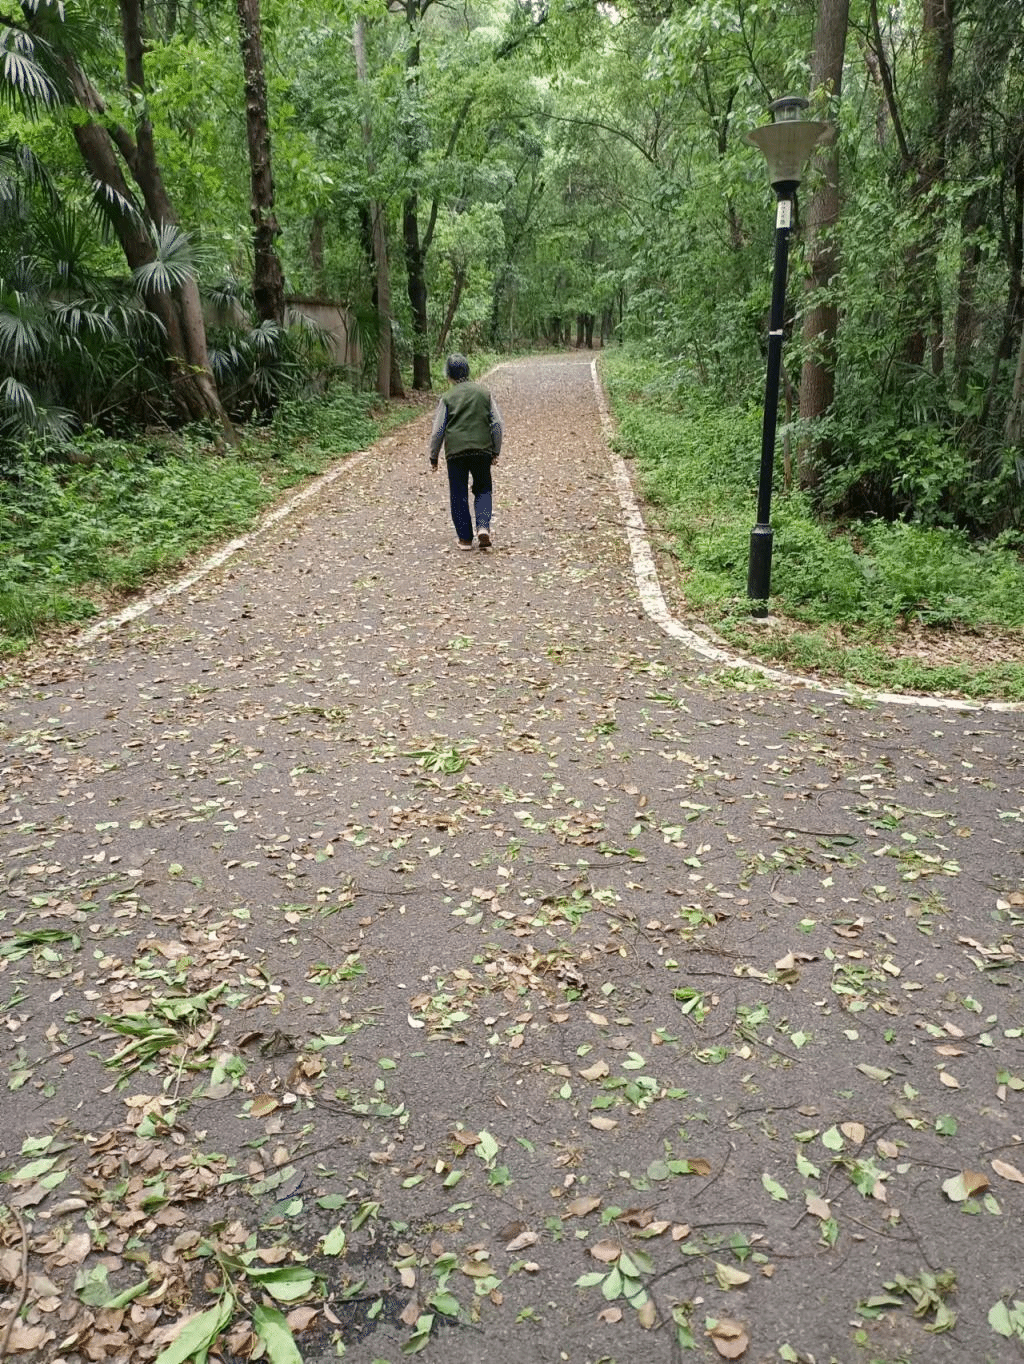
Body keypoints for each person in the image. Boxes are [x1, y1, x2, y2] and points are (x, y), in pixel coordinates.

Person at [428, 354, 503, 550]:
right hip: (482, 449)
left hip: (456, 452)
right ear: (468, 371)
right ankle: (483, 526)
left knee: (458, 493)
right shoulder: (484, 393)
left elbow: (438, 431)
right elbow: (497, 424)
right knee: (483, 488)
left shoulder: (447, 398)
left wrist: (433, 456)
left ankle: (465, 539)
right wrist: (495, 450)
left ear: (449, 375)